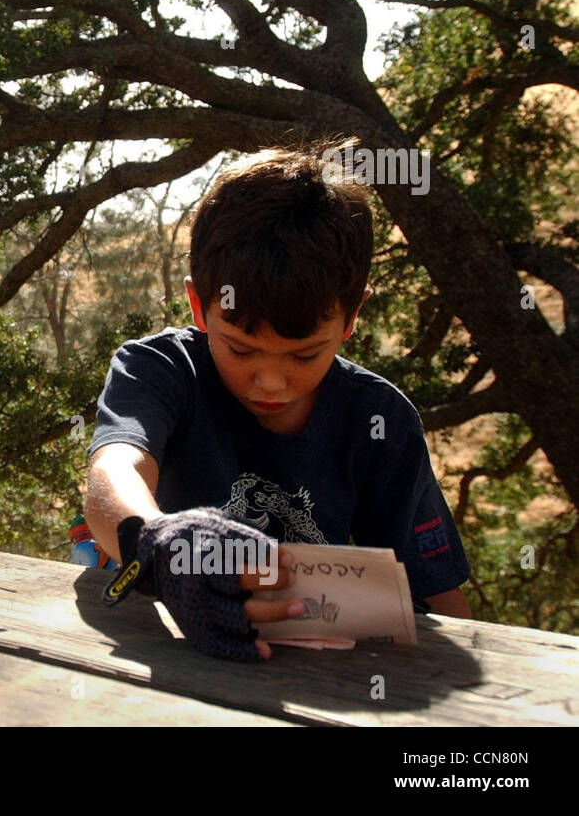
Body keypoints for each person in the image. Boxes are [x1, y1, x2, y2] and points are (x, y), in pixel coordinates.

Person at [82, 144, 472, 663]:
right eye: (240, 348)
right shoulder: (159, 369)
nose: (269, 381)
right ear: (198, 305)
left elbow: (440, 601)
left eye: (305, 354)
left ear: (351, 318)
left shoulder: (381, 421)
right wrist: (159, 541)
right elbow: (113, 471)